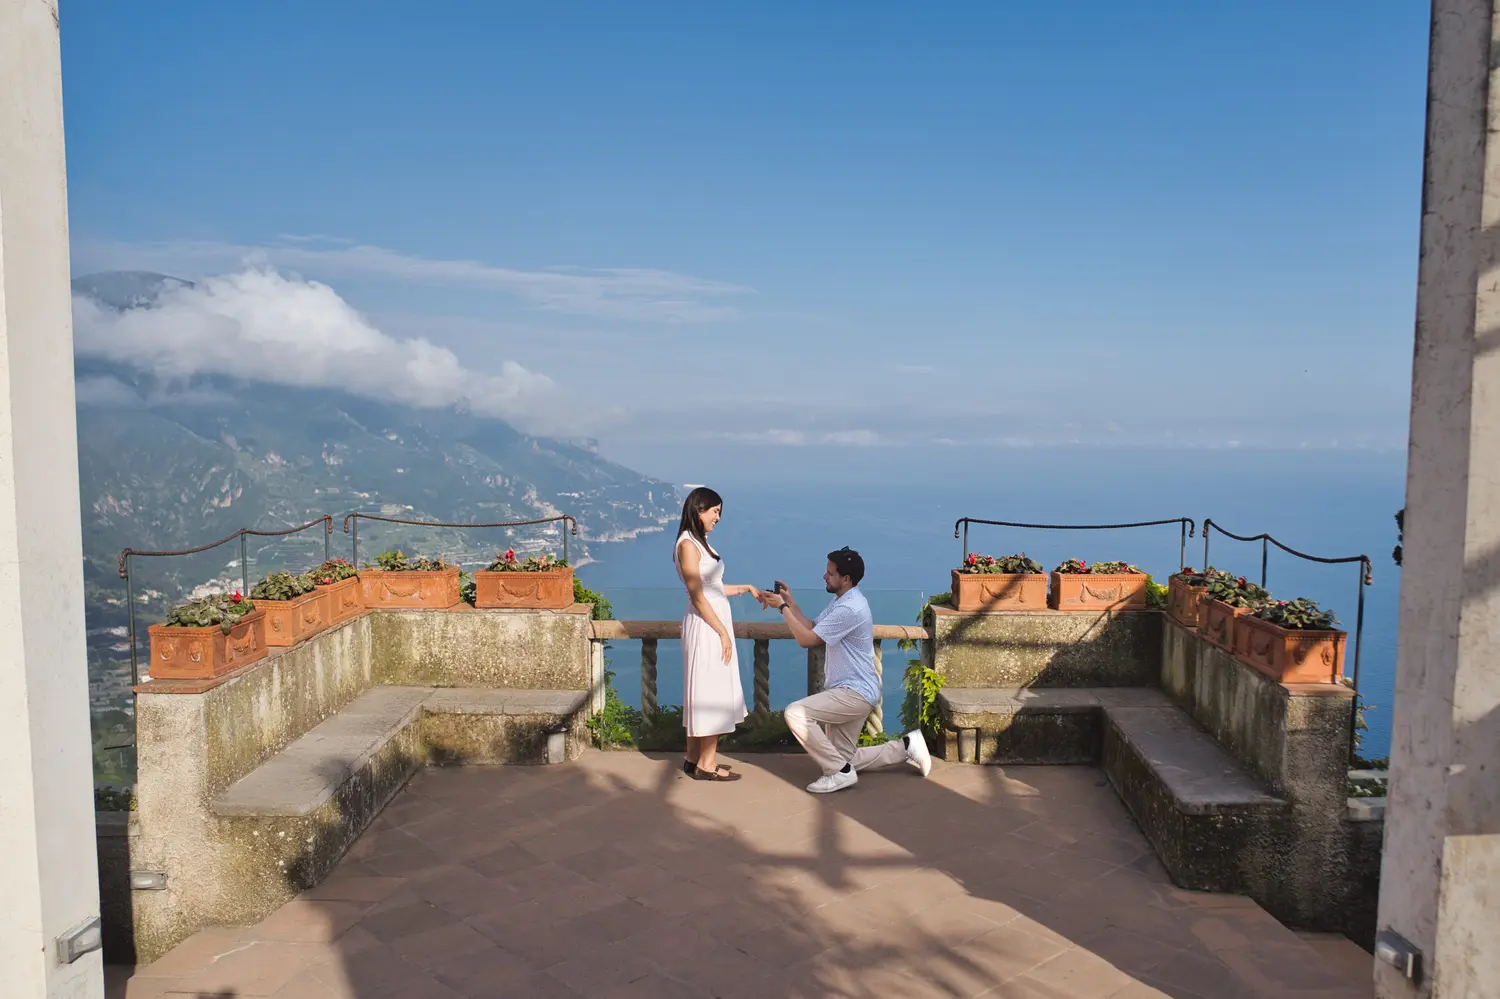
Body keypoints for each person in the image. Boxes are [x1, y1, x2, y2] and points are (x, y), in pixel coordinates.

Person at [759, 547, 932, 793]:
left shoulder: (850, 609)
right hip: (854, 690)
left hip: (854, 692)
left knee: (796, 713)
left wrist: (782, 609)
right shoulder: (844, 601)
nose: (824, 577)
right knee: (844, 757)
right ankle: (906, 746)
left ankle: (839, 774)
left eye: (830, 573)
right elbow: (813, 627)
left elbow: (807, 640)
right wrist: (791, 604)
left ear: (846, 579)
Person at [673, 487, 761, 781]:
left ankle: (693, 758)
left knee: (704, 688)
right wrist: (722, 631)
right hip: (707, 625)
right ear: (699, 510)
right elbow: (697, 595)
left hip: (712, 622)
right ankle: (706, 765)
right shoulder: (688, 546)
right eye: (715, 512)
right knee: (712, 691)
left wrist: (745, 588)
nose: (718, 518)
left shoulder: (700, 542)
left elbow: (713, 588)